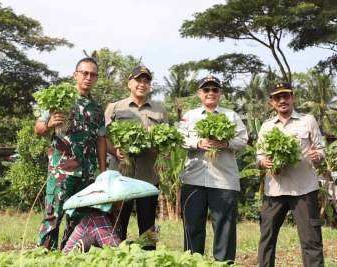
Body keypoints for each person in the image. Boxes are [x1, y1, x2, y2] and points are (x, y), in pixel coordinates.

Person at [35, 57, 107, 250]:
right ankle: (44, 258)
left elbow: (101, 139)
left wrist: (102, 171)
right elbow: (39, 128)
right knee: (53, 214)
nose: (88, 77)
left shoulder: (98, 109)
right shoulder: (60, 99)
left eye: (93, 74)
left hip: (87, 172)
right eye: (84, 73)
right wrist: (50, 124)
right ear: (75, 75)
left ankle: (70, 255)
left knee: (80, 217)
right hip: (62, 170)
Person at [178, 75, 248, 262]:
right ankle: (193, 264)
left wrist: (225, 142)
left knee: (224, 229)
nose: (210, 93)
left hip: (224, 181)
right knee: (192, 227)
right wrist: (197, 142)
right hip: (194, 179)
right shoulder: (189, 116)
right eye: (206, 89)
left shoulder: (231, 115)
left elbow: (243, 139)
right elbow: (179, 138)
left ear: (220, 94)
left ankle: (223, 264)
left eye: (215, 89)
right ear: (199, 93)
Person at [257, 82, 325, 267]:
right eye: (277, 97)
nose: (282, 100)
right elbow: (259, 155)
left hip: (304, 190)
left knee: (311, 240)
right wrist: (264, 162)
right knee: (267, 239)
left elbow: (320, 149)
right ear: (271, 102)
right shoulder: (266, 126)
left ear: (292, 97)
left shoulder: (308, 120)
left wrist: (317, 155)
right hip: (275, 191)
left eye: (286, 96)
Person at [104, 65, 167, 250]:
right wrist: (115, 151)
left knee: (148, 225)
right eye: (138, 80)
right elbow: (103, 138)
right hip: (121, 176)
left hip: (149, 177)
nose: (142, 84)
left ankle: (150, 257)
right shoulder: (114, 108)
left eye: (146, 81)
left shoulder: (160, 110)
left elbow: (168, 142)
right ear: (129, 83)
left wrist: (157, 138)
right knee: (118, 222)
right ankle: (116, 256)